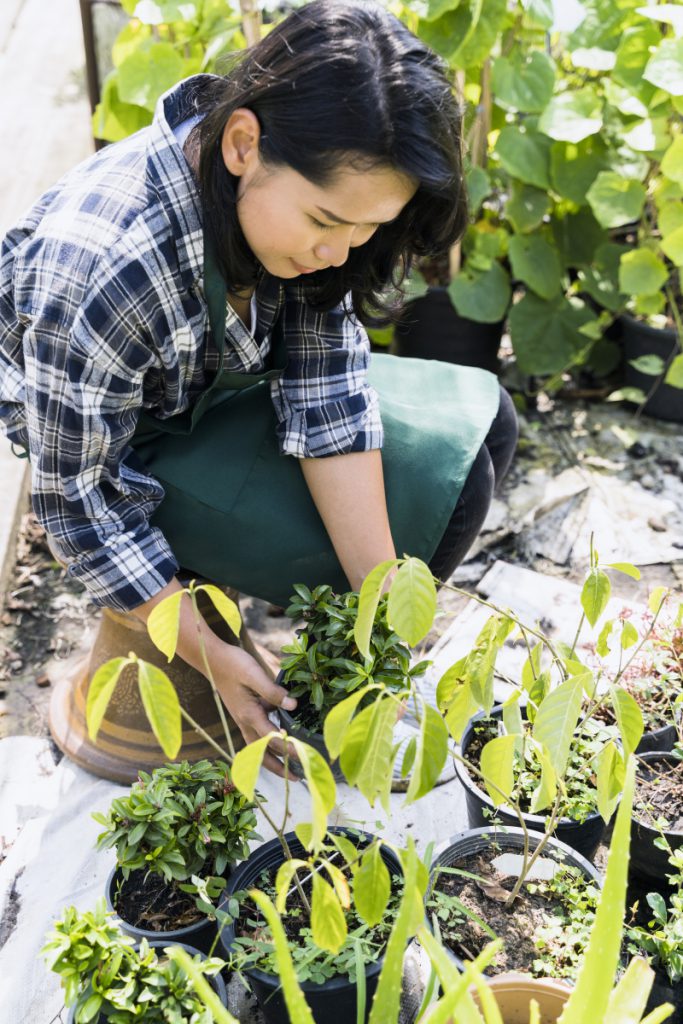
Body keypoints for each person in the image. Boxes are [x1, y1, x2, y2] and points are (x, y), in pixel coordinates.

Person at [0, 0, 517, 777]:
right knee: (441, 496)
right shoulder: (107, 266)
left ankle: (325, 679)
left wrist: (383, 620)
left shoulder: (291, 212)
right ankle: (234, 688)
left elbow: (326, 386)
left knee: (481, 438)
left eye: (367, 230)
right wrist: (207, 652)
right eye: (327, 220)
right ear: (243, 142)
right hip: (122, 458)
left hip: (204, 391)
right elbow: (77, 502)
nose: (341, 250)